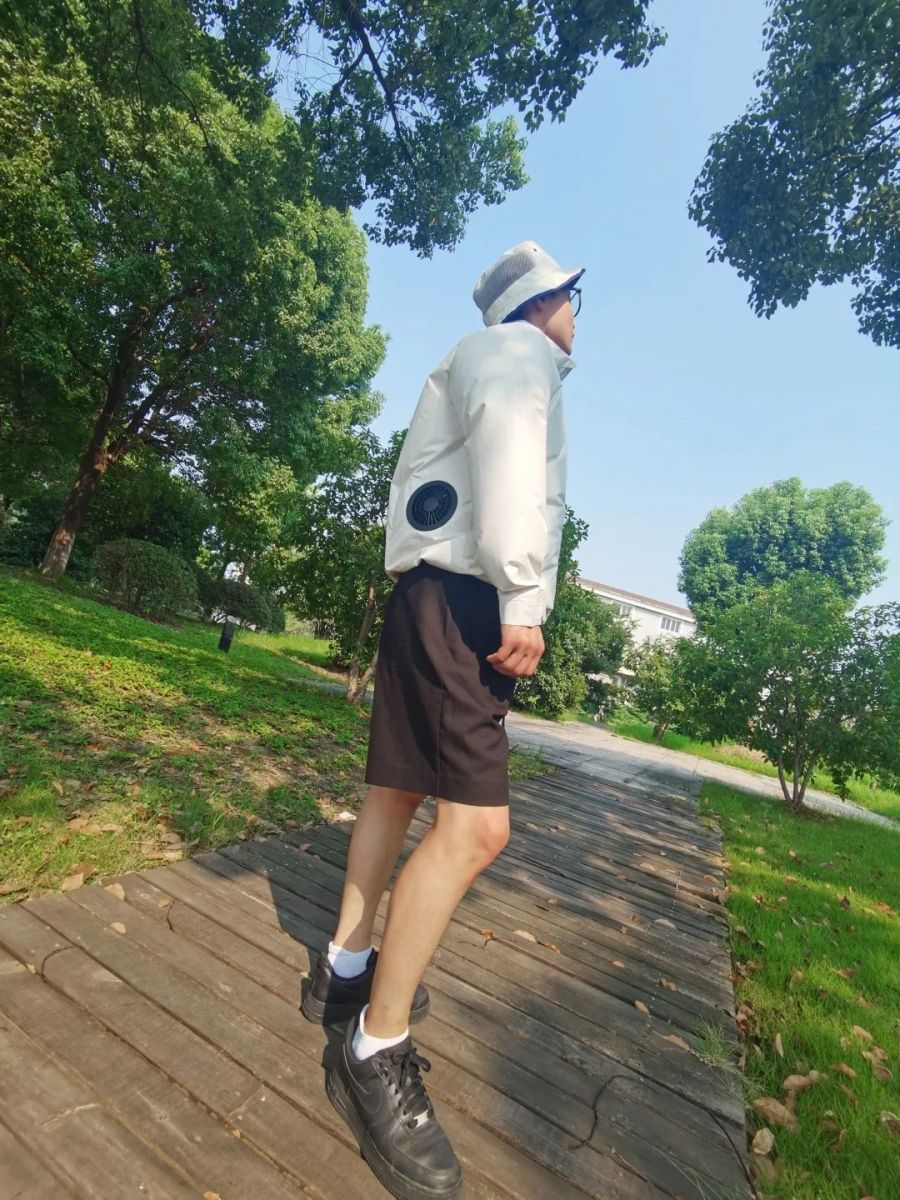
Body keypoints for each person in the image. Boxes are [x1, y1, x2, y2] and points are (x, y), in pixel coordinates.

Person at [301, 241, 584, 1200]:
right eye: (574, 298)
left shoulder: (468, 355)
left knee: (396, 790)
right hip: (467, 597)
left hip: (425, 591)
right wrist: (523, 598)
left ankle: (345, 971)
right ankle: (372, 1049)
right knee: (476, 830)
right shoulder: (516, 352)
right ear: (541, 301)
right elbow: (512, 468)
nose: (577, 315)